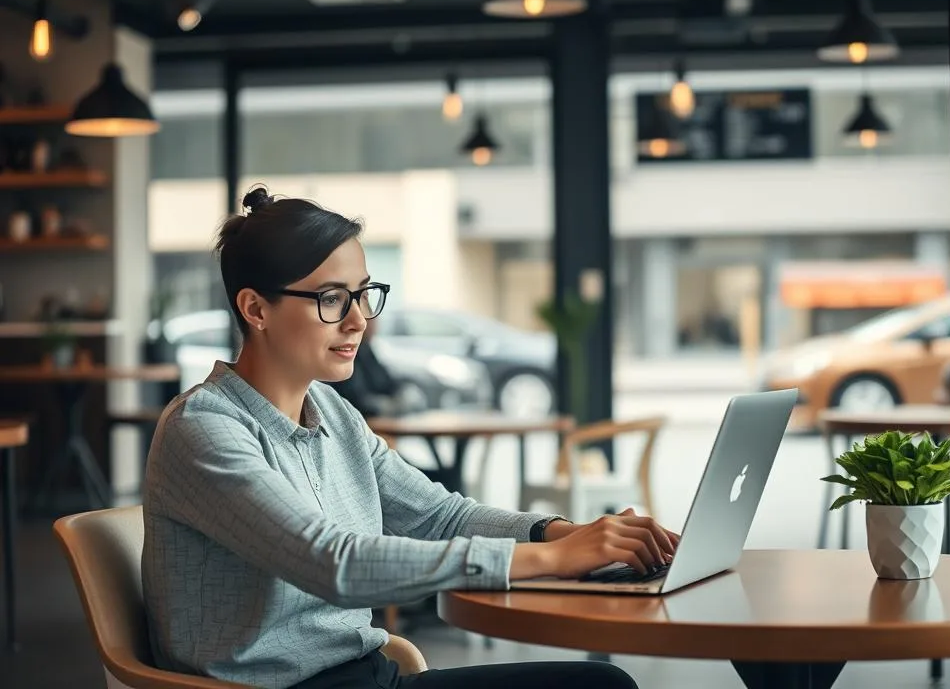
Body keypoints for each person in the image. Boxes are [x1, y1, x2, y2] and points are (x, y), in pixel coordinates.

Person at [141, 186, 678, 689]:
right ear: (256, 309)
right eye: (331, 299)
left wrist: (565, 534)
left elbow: (438, 517)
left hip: (369, 675)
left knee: (601, 683)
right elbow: (335, 564)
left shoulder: (331, 411)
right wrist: (556, 560)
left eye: (362, 295)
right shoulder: (204, 429)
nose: (358, 322)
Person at [326, 313, 401, 418]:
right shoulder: (347, 351)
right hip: (363, 417)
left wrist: (401, 392)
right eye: (370, 321)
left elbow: (385, 380)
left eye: (375, 321)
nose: (364, 325)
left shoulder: (366, 349)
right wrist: (384, 406)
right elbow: (354, 398)